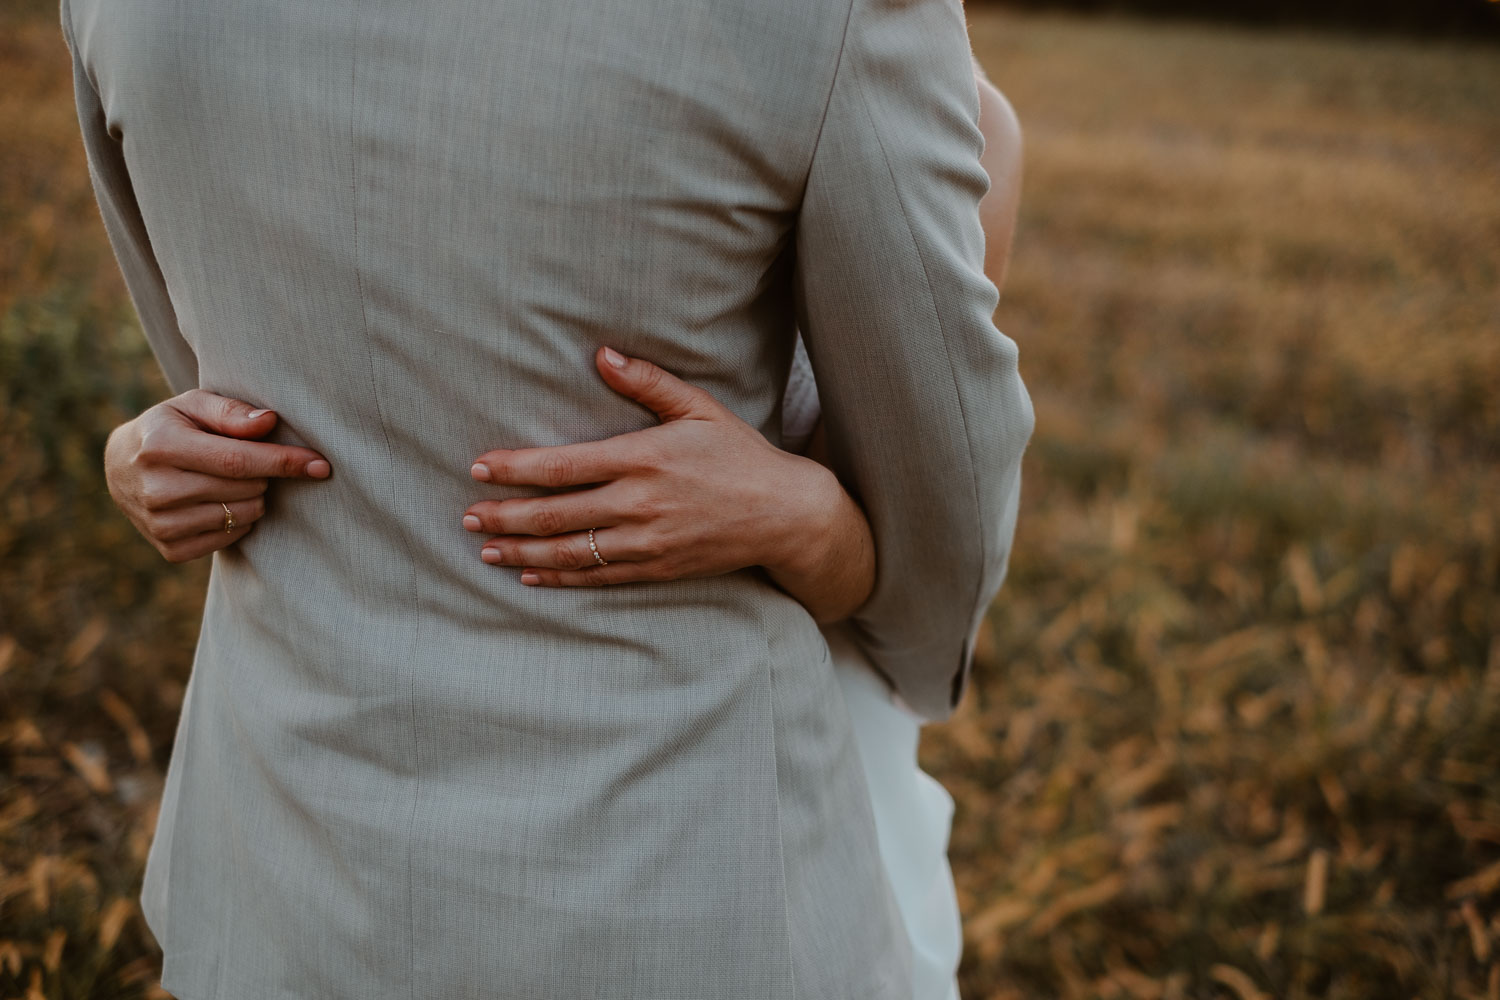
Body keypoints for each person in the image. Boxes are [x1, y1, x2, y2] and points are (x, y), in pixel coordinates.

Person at [63, 0, 1034, 995]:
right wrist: (817, 524)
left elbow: (214, 381)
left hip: (277, 866)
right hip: (676, 883)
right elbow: (928, 550)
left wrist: (158, 450)